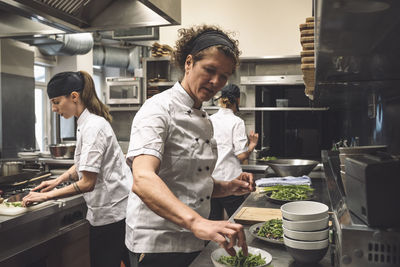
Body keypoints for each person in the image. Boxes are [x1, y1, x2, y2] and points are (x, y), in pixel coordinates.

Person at [125, 25, 255, 267]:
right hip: (158, 245)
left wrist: (226, 187)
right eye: (210, 70)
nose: (216, 81)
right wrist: (197, 222)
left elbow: (187, 182)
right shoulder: (157, 109)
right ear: (188, 63)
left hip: (191, 241)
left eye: (224, 76)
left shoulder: (203, 116)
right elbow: (142, 179)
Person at [22, 71, 132, 267]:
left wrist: (47, 196)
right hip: (108, 213)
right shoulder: (85, 123)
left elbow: (88, 183)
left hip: (112, 215)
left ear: (74, 96)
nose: (54, 108)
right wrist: (58, 180)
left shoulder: (93, 127)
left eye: (56, 101)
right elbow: (84, 163)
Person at [209, 84, 259, 220]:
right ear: (237, 100)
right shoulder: (237, 122)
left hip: (212, 181)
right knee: (238, 221)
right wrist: (252, 145)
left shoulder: (210, 119)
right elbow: (241, 156)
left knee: (214, 223)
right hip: (231, 182)